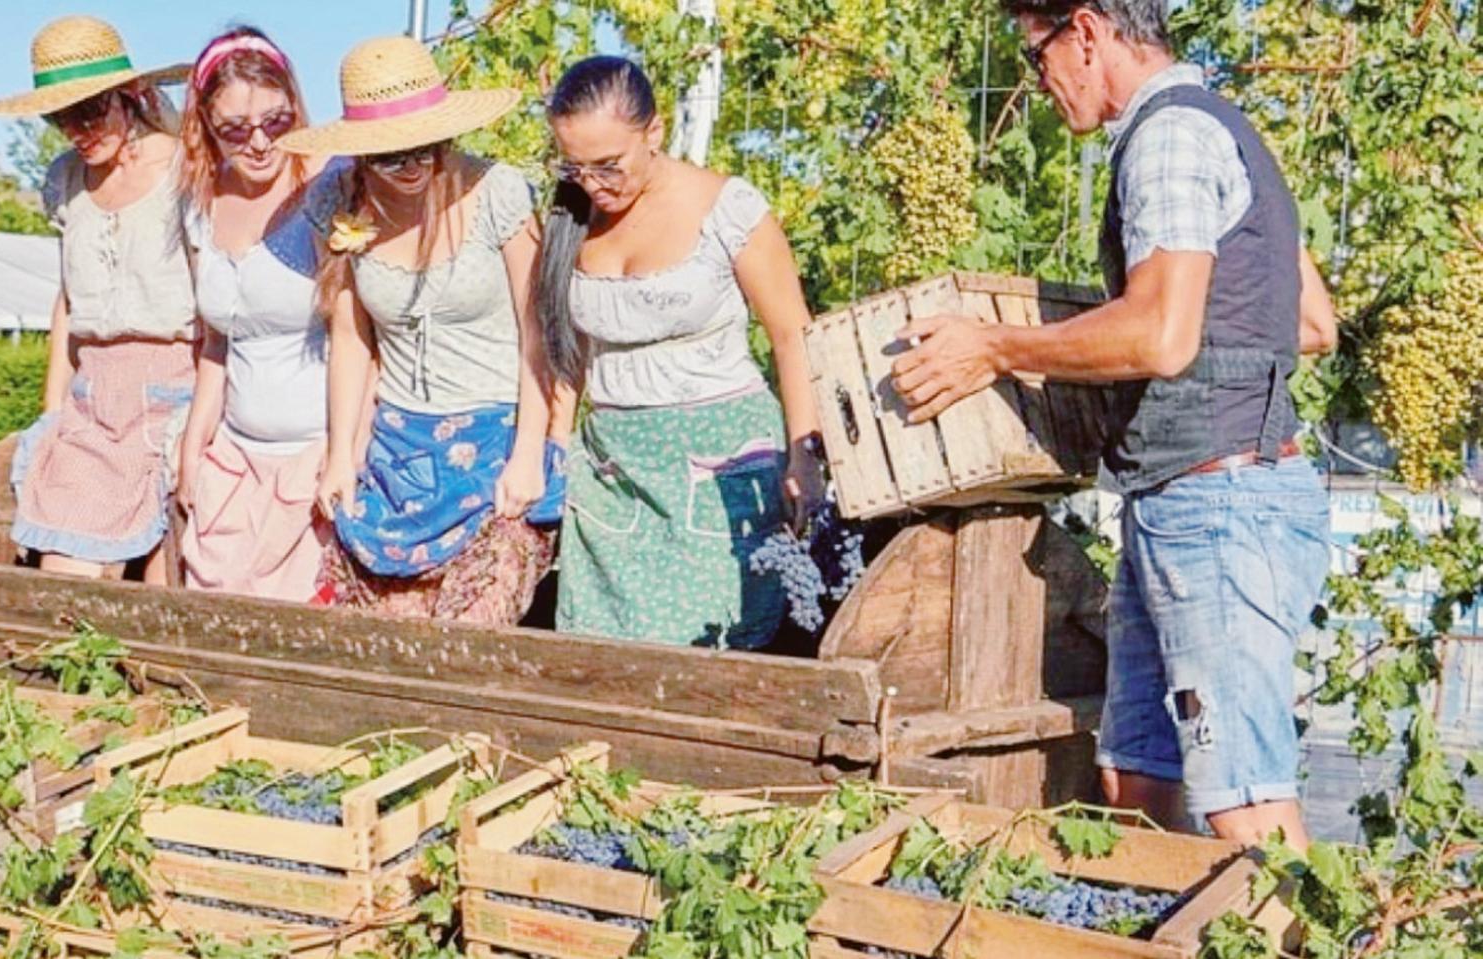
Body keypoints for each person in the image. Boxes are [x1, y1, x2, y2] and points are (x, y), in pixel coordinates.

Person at [892, 0, 1338, 846]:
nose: (1041, 81)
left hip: (1218, 507)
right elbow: (1310, 323)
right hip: (1198, 498)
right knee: (1135, 775)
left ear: (1086, 31)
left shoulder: (1167, 138)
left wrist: (995, 347)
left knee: (1244, 803)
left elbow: (1161, 336)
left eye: (1036, 55)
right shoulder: (1227, 128)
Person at [277, 36, 567, 623]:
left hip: (497, 442)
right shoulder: (337, 199)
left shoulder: (497, 193)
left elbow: (540, 332)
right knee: (382, 644)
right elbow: (352, 337)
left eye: (428, 148)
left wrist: (532, 450)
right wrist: (340, 456)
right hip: (397, 448)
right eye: (390, 155)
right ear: (360, 153)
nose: (412, 166)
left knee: (474, 628)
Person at [538, 57, 824, 649]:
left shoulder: (728, 210)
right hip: (616, 473)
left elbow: (793, 334)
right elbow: (566, 351)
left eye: (608, 166)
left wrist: (806, 453)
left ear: (655, 132)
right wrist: (557, 450)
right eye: (574, 166)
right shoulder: (569, 216)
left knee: (718, 648)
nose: (593, 185)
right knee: (602, 654)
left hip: (721, 464)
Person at [0, 16, 196, 583]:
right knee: (64, 580)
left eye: (91, 110)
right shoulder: (67, 181)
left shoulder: (187, 171)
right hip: (92, 404)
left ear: (133, 95)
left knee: (166, 582)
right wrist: (53, 412)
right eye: (60, 116)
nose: (77, 128)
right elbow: (69, 302)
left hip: (175, 394)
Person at [175, 27, 334, 602]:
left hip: (312, 456)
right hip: (236, 457)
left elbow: (363, 339)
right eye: (236, 132)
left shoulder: (328, 188)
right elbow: (219, 342)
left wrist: (340, 454)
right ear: (207, 131)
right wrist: (194, 449)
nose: (261, 143)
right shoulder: (199, 203)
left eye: (276, 122)